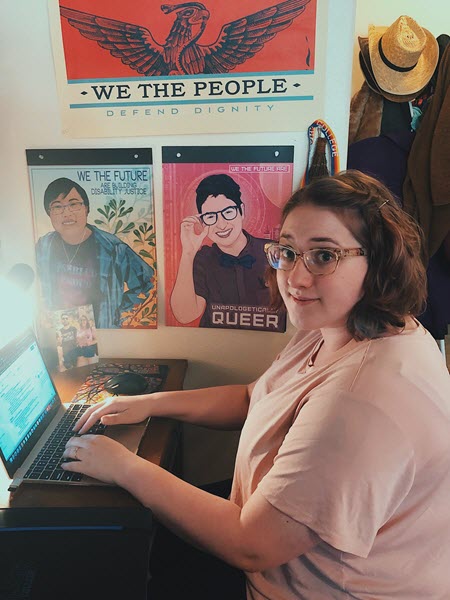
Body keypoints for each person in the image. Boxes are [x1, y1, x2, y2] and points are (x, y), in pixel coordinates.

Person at [62, 171, 450, 599]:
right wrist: (152, 402)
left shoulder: (362, 400)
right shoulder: (342, 325)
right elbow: (255, 397)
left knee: (106, 560)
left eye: (324, 256)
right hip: (267, 535)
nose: (296, 278)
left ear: (379, 260)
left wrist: (123, 466)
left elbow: (251, 546)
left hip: (309, 584)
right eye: (287, 252)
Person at [170, 174, 284, 332]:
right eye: (211, 217)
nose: (221, 224)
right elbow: (185, 315)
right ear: (202, 221)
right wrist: (188, 252)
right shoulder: (202, 258)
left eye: (228, 212)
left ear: (241, 211)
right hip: (212, 347)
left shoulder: (271, 252)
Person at [35, 177, 154, 329]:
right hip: (62, 331)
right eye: (57, 207)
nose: (67, 213)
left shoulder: (113, 248)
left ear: (86, 208)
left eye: (74, 204)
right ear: (49, 213)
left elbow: (147, 283)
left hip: (103, 331)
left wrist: (119, 313)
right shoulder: (43, 247)